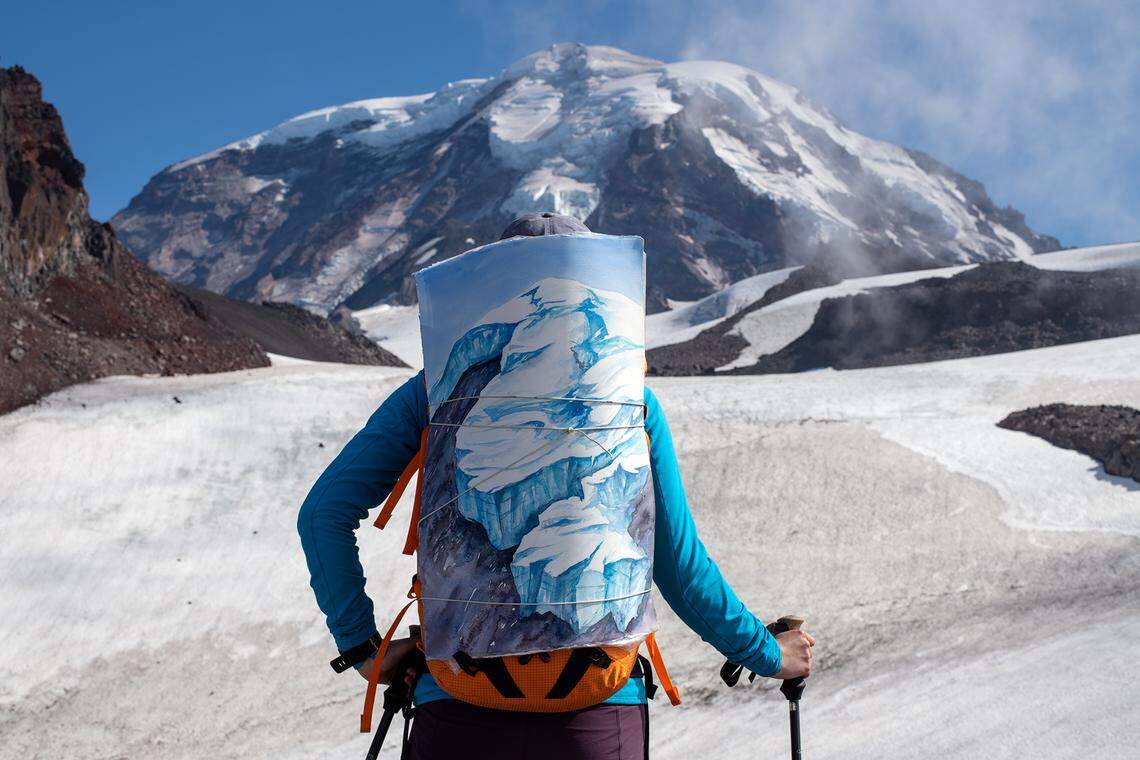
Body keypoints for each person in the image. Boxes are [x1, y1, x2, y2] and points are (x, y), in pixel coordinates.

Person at [297, 212, 815, 760]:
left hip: (457, 710)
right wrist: (766, 654)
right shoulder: (630, 401)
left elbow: (323, 514)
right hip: (595, 715)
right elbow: (678, 568)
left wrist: (363, 649)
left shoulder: (433, 390)